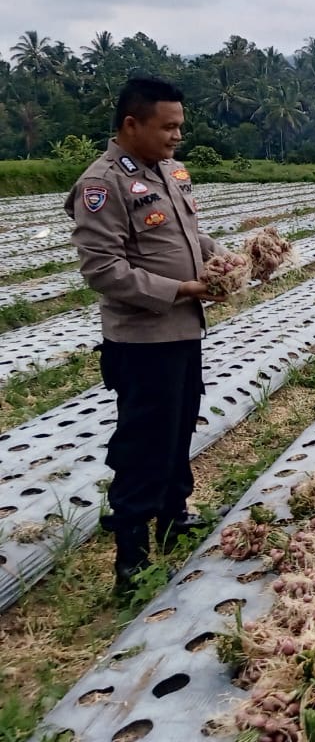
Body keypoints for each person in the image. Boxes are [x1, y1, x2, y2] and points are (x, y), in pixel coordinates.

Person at [66, 76, 227, 595]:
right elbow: (103, 270)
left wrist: (222, 258)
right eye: (168, 127)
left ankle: (174, 516)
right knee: (143, 443)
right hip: (141, 340)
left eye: (179, 126)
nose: (177, 136)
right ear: (132, 124)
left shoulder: (170, 170)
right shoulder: (103, 184)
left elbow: (187, 233)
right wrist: (182, 287)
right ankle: (131, 556)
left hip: (182, 331)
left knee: (180, 427)